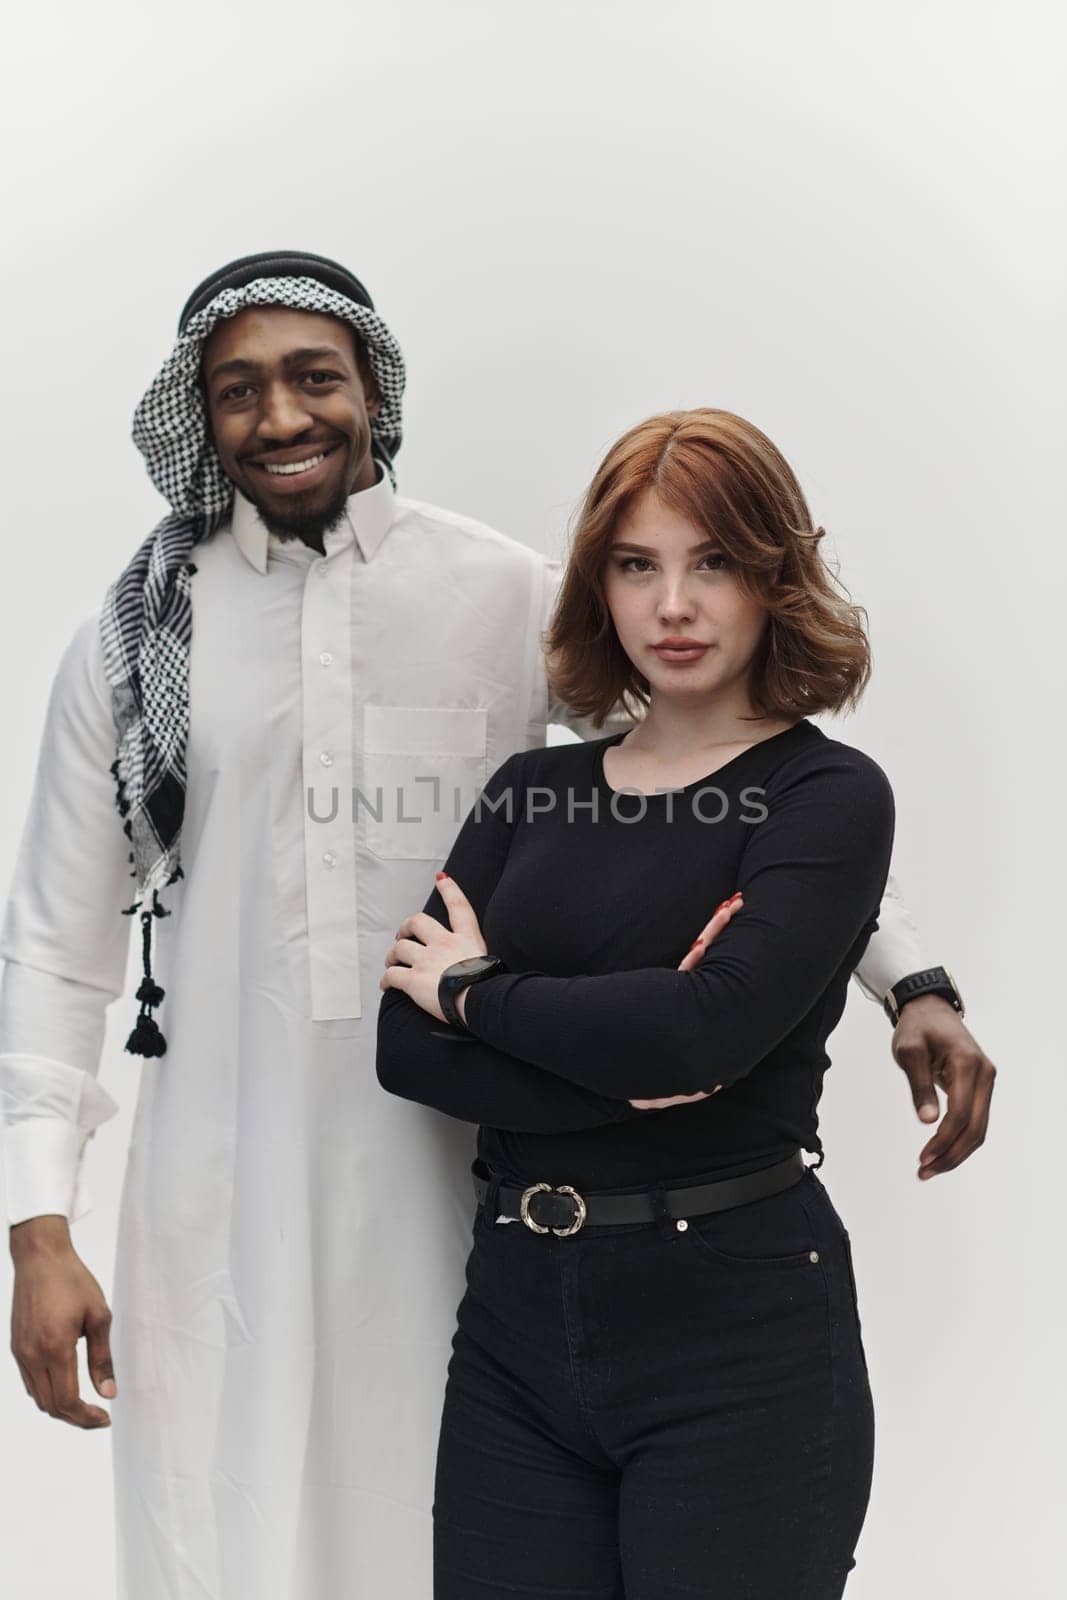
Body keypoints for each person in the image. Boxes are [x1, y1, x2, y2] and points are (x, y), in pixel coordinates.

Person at [0, 252, 991, 1600]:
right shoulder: (128, 646)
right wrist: (37, 1224)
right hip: (214, 1192)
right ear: (198, 414)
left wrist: (904, 974)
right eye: (237, 392)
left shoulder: (502, 595)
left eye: (313, 378)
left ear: (372, 390)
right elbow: (56, 944)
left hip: (468, 1188)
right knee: (216, 1537)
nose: (280, 418)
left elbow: (730, 790)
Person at [375, 408, 973, 1597]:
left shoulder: (823, 795)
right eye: (636, 565)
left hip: (738, 1334)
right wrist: (630, 1051)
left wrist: (479, 989)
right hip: (511, 1332)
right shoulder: (530, 787)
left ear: (772, 577)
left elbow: (706, 1027)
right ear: (598, 583)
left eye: (713, 563)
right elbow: (407, 1047)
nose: (673, 606)